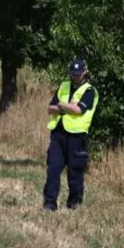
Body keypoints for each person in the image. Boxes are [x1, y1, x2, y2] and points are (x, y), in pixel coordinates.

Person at [43, 59, 98, 211]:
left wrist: (61, 105)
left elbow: (79, 110)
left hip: (76, 136)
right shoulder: (64, 86)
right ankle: (49, 202)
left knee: (75, 172)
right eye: (73, 74)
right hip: (58, 134)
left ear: (85, 72)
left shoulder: (89, 91)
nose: (75, 76)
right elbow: (50, 108)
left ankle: (74, 202)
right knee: (53, 168)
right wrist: (64, 107)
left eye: (78, 74)